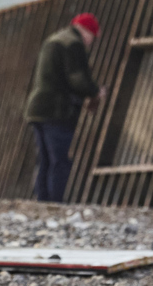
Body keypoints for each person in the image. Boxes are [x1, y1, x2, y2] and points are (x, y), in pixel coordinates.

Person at [24, 12, 107, 203]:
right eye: (92, 37)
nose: (90, 42)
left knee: (43, 160)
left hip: (37, 108)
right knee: (60, 161)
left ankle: (42, 200)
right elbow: (77, 78)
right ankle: (56, 203)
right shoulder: (73, 43)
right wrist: (95, 92)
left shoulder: (54, 39)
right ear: (86, 31)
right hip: (56, 111)